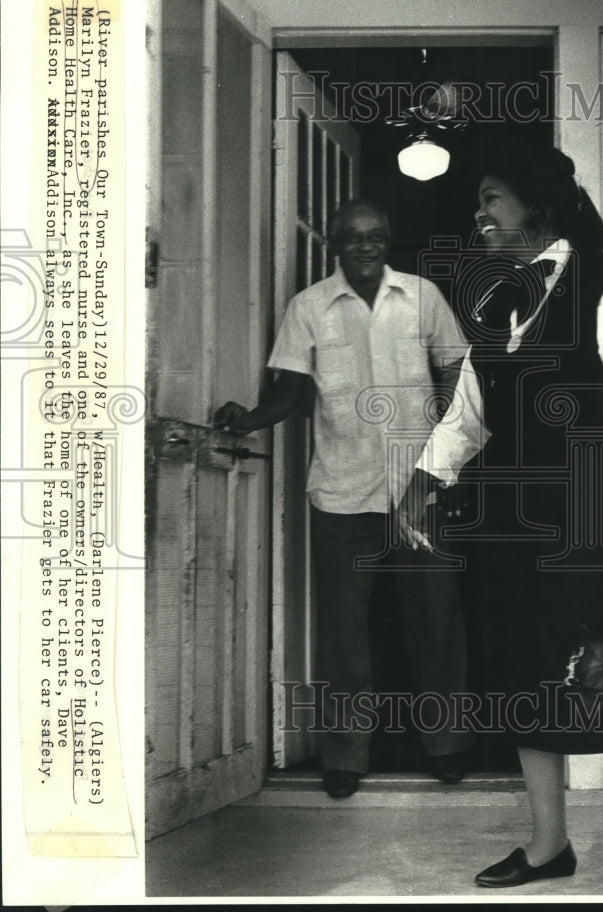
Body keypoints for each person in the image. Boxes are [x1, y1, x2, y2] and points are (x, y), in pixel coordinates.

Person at [396, 142, 603, 889]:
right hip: (506, 516)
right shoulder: (495, 296)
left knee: (599, 667)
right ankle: (547, 844)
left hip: (585, 506)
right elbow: (469, 410)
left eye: (492, 199)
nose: (479, 214)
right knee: (517, 668)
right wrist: (424, 479)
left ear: (535, 206)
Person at [214, 199, 474, 799]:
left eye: (376, 234)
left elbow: (460, 383)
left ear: (389, 239)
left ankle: (449, 745)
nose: (366, 245)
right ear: (335, 242)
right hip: (341, 491)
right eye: (354, 236)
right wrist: (248, 420)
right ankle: (344, 755)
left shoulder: (423, 298)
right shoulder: (309, 308)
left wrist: (453, 466)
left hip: (420, 491)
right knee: (343, 636)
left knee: (436, 624)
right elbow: (293, 392)